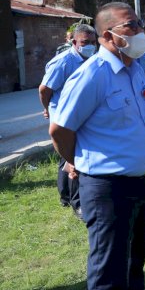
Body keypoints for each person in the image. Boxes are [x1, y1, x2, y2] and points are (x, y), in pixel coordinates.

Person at [49, 2, 145, 290]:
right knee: (108, 267)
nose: (140, 31)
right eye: (131, 26)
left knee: (134, 258)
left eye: (139, 23)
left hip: (140, 181)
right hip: (107, 186)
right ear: (108, 36)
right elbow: (60, 130)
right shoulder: (92, 75)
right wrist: (77, 162)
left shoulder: (134, 69)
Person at [39, 23, 97, 219]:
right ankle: (77, 202)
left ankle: (65, 196)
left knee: (67, 156)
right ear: (74, 42)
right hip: (64, 117)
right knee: (73, 157)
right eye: (85, 42)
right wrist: (47, 109)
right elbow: (44, 89)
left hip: (79, 114)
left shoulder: (90, 59)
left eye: (93, 42)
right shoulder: (64, 62)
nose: (90, 46)